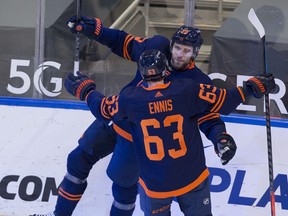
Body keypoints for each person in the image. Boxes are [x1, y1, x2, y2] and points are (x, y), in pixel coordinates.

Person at [32, 18, 237, 216]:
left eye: (186, 51)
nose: (179, 55)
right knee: (76, 160)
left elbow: (208, 118)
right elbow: (124, 42)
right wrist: (95, 30)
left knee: (124, 187)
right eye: (177, 47)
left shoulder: (197, 82)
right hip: (116, 116)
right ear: (171, 44)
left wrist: (220, 137)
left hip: (140, 139)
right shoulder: (156, 49)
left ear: (195, 53)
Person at [63, 49, 276, 215]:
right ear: (166, 70)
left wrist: (86, 90)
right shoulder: (187, 89)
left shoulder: (130, 99)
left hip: (156, 186)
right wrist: (252, 87)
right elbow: (225, 102)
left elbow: (103, 109)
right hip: (192, 178)